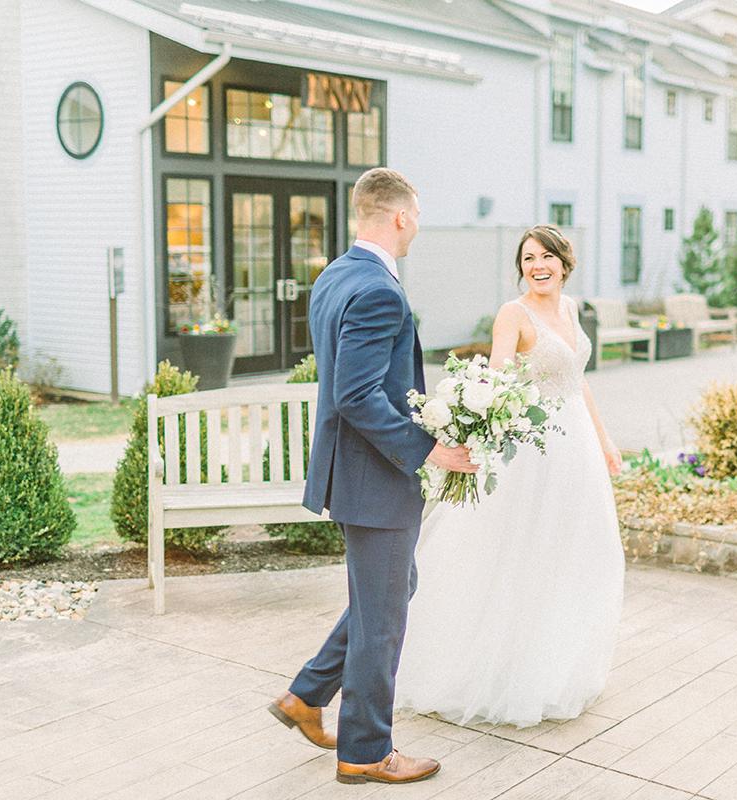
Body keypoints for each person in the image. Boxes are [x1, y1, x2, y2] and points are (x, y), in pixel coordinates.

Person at [267, 167, 477, 786]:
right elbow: (357, 395)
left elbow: (355, 385)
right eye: (418, 219)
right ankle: (364, 750)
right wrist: (429, 449)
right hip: (376, 477)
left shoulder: (334, 275)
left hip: (351, 474)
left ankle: (307, 696)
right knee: (383, 617)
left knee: (390, 589)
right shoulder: (381, 290)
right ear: (402, 216)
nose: (417, 230)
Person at [394, 224, 626, 729]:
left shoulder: (570, 309)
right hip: (532, 450)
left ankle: (556, 665)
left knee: (573, 554)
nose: (537, 265)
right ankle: (502, 674)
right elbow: (495, 381)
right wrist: (483, 420)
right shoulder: (513, 314)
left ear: (565, 262)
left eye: (546, 256)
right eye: (527, 258)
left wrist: (606, 442)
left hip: (577, 448)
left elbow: (577, 381)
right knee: (521, 552)